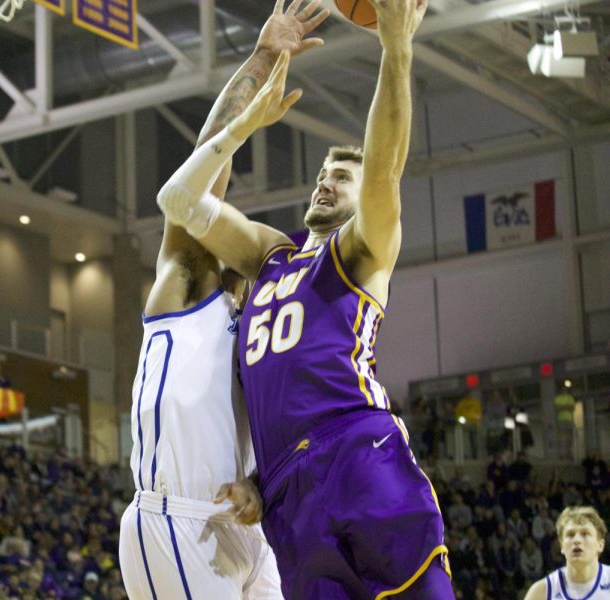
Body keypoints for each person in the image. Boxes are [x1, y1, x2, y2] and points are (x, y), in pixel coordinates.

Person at [155, 0, 451, 593]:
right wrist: (253, 92)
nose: (325, 180)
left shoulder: (362, 249)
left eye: (342, 176)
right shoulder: (271, 255)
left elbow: (386, 169)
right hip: (286, 489)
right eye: (323, 172)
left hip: (359, 450)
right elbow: (178, 203)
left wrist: (396, 50)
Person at [118, 3, 330, 597]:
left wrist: (261, 485)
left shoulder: (271, 333)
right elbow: (202, 169)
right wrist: (264, 58)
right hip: (177, 519)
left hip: (247, 527)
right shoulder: (189, 284)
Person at [523, 506, 609, 600]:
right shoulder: (541, 592)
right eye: (570, 534)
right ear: (562, 546)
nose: (577, 540)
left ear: (600, 545)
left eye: (585, 534)